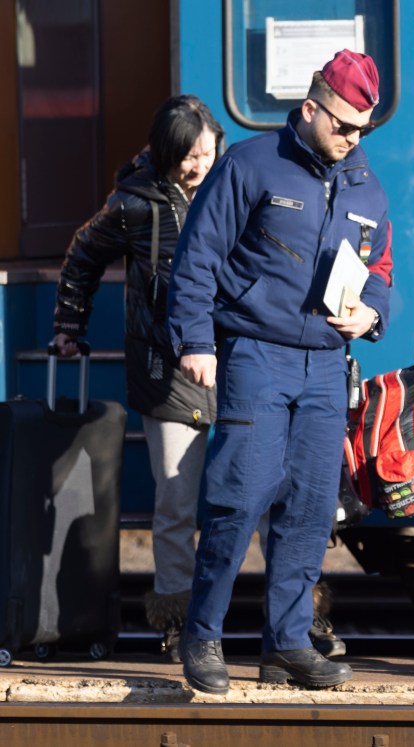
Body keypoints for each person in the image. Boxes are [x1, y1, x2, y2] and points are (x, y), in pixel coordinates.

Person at [167, 49, 392, 694]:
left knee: (310, 510)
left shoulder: (366, 186)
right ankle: (202, 636)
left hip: (325, 364)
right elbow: (197, 257)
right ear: (311, 107)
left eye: (363, 131)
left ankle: (287, 645)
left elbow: (381, 271)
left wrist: (370, 316)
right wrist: (196, 341)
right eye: (344, 125)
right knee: (237, 499)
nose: (353, 139)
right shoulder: (250, 164)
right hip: (254, 355)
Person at [53, 95, 224, 662]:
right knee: (177, 501)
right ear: (164, 152)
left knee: (262, 498)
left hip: (239, 365)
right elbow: (82, 255)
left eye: (206, 152)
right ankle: (177, 621)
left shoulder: (234, 188)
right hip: (166, 368)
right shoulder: (135, 202)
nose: (198, 166)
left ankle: (291, 623)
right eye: (187, 157)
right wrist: (69, 326)